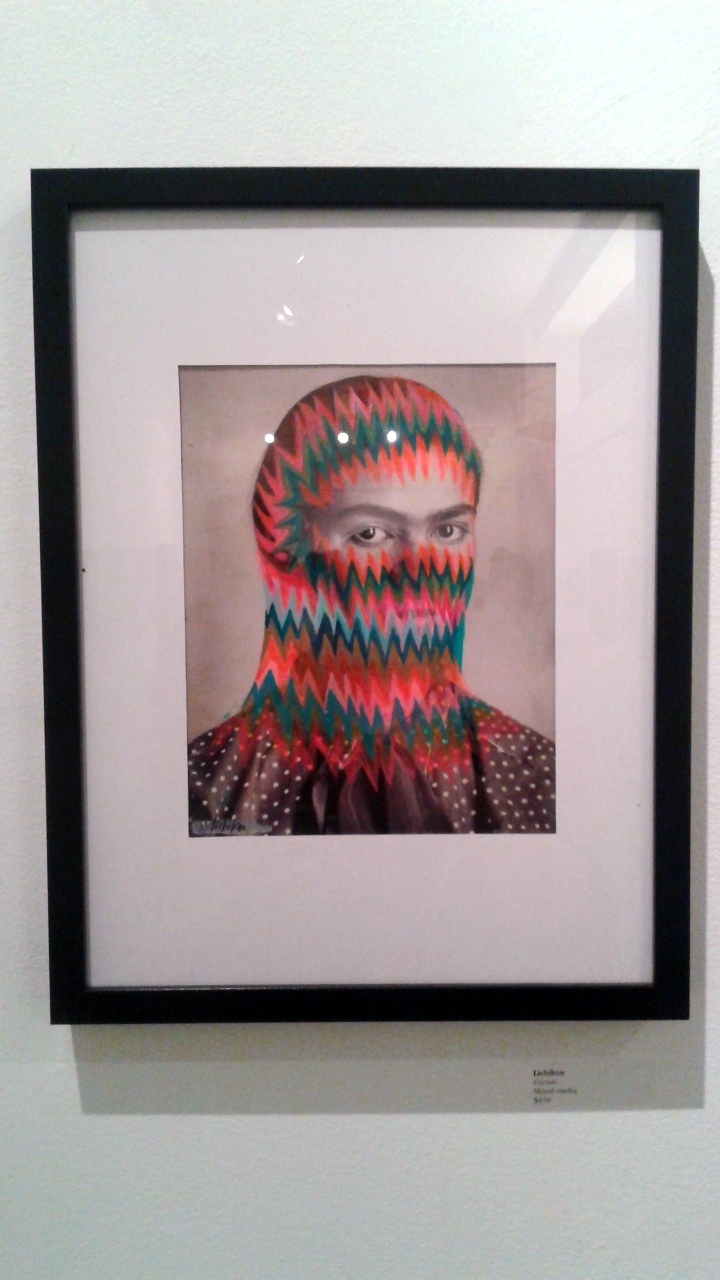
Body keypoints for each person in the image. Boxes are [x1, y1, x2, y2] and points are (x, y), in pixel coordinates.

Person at [188, 374, 555, 836]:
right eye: (370, 533)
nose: (421, 572)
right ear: (286, 552)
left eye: (448, 531)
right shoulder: (202, 792)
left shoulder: (534, 778)